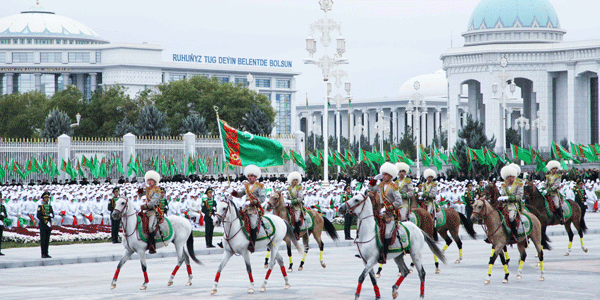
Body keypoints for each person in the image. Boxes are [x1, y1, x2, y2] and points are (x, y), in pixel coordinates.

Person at [368, 162, 402, 264]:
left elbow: (399, 201)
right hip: (379, 212)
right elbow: (370, 189)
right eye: (383, 174)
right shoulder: (380, 185)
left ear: (390, 176)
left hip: (389, 214)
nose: (383, 176)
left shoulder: (394, 187)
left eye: (385, 174)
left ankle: (384, 253)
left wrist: (388, 208)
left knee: (387, 233)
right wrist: (373, 180)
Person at [231, 164, 265, 253]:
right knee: (235, 220)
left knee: (253, 224)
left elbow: (262, 198)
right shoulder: (246, 186)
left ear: (255, 177)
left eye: (251, 176)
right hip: (245, 208)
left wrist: (251, 202)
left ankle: (252, 243)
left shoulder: (259, 186)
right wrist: (232, 192)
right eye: (249, 176)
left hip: (254, 209)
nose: (249, 178)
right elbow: (239, 194)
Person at [498, 165, 523, 242]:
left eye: (512, 177)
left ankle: (514, 235)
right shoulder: (504, 185)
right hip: (505, 205)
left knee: (511, 217)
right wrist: (501, 198)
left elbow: (519, 196)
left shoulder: (518, 184)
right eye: (508, 177)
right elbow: (502, 194)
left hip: (514, 205)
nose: (510, 178)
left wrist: (508, 198)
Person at [140, 170, 162, 254]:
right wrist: (140, 191)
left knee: (150, 227)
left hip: (153, 211)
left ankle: (152, 245)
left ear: (155, 182)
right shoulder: (148, 189)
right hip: (147, 211)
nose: (149, 182)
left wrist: (144, 206)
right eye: (148, 180)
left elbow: (152, 202)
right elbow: (140, 194)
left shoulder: (157, 190)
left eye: (151, 180)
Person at [286, 171, 304, 239]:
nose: (295, 181)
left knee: (296, 219)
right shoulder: (289, 188)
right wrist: (286, 200)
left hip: (297, 207)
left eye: (296, 180)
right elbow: (287, 196)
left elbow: (300, 198)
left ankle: (297, 233)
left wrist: (291, 201)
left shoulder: (299, 188)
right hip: (289, 206)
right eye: (294, 180)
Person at [37, 191, 54, 258]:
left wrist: (51, 215)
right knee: (43, 239)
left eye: (48, 198)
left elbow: (53, 214)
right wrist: (45, 221)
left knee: (47, 239)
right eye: (46, 198)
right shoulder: (40, 206)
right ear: (43, 199)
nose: (47, 199)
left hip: (48, 224)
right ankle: (43, 253)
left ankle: (46, 253)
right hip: (43, 224)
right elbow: (38, 215)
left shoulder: (49, 206)